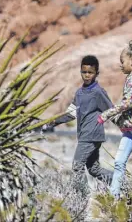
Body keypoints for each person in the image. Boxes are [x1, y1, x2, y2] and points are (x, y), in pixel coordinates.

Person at [42, 55, 114, 186]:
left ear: (96, 73)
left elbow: (112, 110)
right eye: (84, 72)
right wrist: (54, 121)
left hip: (91, 135)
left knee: (77, 165)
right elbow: (71, 113)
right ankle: (120, 182)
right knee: (94, 169)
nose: (87, 75)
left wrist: (126, 126)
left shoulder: (98, 92)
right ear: (80, 71)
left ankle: (81, 197)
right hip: (84, 135)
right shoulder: (79, 93)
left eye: (90, 72)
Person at [97, 40, 132, 199]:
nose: (120, 65)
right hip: (130, 129)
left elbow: (128, 102)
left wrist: (106, 114)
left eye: (122, 62)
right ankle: (113, 195)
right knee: (120, 161)